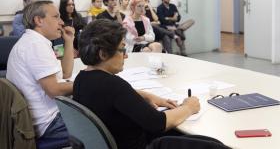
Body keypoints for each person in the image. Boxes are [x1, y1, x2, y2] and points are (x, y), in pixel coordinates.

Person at [74, 19, 231, 149]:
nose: (126, 56)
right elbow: (158, 123)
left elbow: (113, 100)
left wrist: (143, 96)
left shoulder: (81, 80)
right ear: (103, 54)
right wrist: (188, 107)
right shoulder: (114, 85)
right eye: (122, 50)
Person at [6, 0, 74, 148]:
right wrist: (86, 83)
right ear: (39, 20)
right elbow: (53, 90)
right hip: (48, 125)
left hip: (42, 119)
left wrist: (69, 42)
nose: (62, 22)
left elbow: (66, 73)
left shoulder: (36, 42)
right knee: (107, 123)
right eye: (56, 17)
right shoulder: (35, 45)